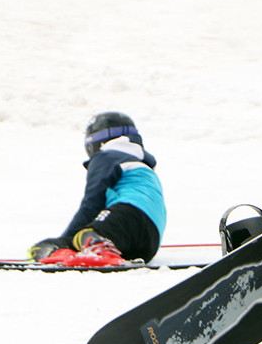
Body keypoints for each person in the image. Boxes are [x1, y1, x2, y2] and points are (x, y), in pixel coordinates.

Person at [28, 112, 166, 267]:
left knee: (71, 239)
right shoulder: (141, 165)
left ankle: (71, 254)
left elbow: (93, 201)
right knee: (85, 236)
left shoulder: (107, 156)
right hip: (148, 245)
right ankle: (102, 251)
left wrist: (66, 240)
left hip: (127, 214)